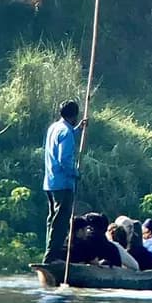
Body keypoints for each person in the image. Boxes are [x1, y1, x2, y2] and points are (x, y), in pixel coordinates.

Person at [42, 99, 86, 264]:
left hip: (51, 182)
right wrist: (75, 173)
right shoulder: (66, 133)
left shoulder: (55, 128)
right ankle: (51, 258)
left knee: (52, 220)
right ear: (74, 116)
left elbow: (65, 138)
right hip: (63, 183)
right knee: (60, 223)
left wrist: (78, 130)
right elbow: (64, 159)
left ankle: (50, 255)